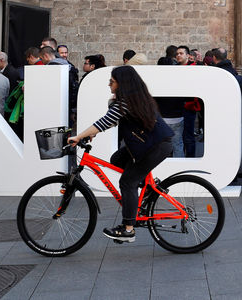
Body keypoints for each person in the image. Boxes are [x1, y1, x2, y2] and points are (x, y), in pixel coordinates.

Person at [68, 66, 173, 242]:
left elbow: (104, 122)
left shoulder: (126, 103)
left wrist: (79, 136)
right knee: (117, 159)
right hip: (150, 144)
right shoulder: (132, 99)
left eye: (112, 81)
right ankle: (148, 187)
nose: (109, 84)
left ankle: (128, 229)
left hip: (155, 146)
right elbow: (111, 121)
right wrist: (91, 134)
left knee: (127, 181)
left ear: (122, 84)